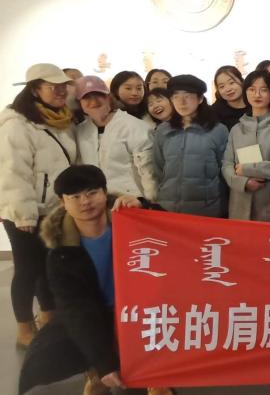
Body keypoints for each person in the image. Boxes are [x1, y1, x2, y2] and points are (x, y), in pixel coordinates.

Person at [17, 165, 173, 395]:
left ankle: (155, 378)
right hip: (96, 313)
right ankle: (95, 372)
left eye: (92, 193)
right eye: (75, 197)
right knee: (52, 351)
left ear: (105, 192)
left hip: (142, 309)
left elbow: (174, 229)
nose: (85, 202)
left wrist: (144, 207)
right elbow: (77, 309)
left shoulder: (131, 222)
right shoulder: (60, 254)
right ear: (62, 201)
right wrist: (103, 363)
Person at [0, 64, 76, 348]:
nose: (60, 91)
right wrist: (24, 214)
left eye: (63, 86)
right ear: (34, 90)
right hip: (26, 212)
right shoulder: (16, 124)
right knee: (27, 270)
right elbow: (13, 172)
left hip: (53, 210)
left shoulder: (61, 119)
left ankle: (48, 317)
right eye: (53, 87)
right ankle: (24, 328)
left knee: (47, 267)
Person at [152, 74, 229, 217]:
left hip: (207, 210)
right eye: (176, 97)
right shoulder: (163, 130)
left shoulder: (217, 130)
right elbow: (158, 167)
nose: (182, 102)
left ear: (200, 99)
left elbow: (225, 169)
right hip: (168, 208)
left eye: (187, 96)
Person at [223, 70, 270, 222]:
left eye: (264, 90)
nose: (257, 94)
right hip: (239, 209)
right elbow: (227, 164)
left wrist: (247, 169)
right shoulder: (236, 129)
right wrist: (243, 182)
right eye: (252, 89)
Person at [73, 75, 158, 200]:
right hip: (97, 201)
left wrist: (150, 200)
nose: (94, 101)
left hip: (132, 199)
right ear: (80, 103)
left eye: (99, 95)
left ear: (108, 98)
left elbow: (148, 168)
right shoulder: (81, 130)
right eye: (86, 98)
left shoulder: (134, 126)